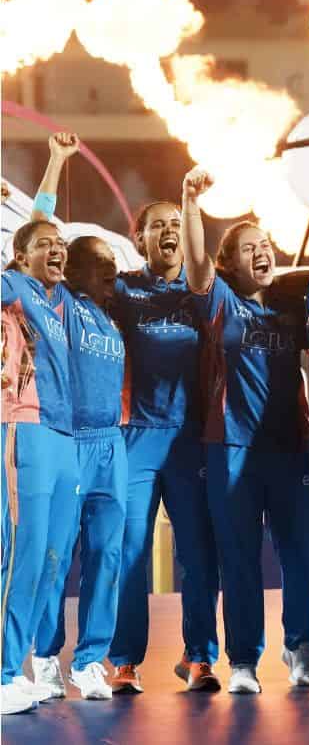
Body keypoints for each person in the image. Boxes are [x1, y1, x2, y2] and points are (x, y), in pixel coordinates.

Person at [180, 167, 309, 695]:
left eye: (265, 244)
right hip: (231, 447)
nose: (261, 252)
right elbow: (195, 267)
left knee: (302, 550)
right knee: (239, 556)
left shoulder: (294, 306)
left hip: (289, 448)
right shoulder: (218, 301)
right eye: (247, 248)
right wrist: (190, 202)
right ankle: (242, 659)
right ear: (228, 263)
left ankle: (301, 647)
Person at [107, 195, 221, 694]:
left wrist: (192, 203)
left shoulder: (203, 292)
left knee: (199, 553)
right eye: (158, 225)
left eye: (176, 223)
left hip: (191, 440)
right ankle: (125, 661)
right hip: (135, 437)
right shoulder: (123, 289)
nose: (169, 231)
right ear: (141, 239)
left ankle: (198, 658)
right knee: (128, 551)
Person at [27, 135, 127, 702]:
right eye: (102, 266)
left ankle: (91, 659)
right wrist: (58, 162)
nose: (111, 274)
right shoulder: (57, 303)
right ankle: (44, 657)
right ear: (73, 271)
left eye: (114, 266)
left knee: (107, 553)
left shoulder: (113, 320)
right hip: (68, 441)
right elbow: (38, 234)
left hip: (112, 443)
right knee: (55, 554)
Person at [1, 219, 77, 715]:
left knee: (53, 561)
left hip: (63, 433)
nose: (57, 250)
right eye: (44, 246)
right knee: (23, 554)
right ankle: (2, 671)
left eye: (61, 245)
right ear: (20, 257)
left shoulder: (56, 302)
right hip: (22, 423)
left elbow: (37, 228)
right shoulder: (11, 287)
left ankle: (17, 665)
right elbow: (28, 228)